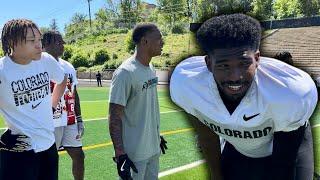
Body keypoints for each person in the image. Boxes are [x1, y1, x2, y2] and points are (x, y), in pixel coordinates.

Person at [170, 14, 317, 180]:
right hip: (239, 147)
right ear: (208, 64)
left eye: (244, 63)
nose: (235, 77)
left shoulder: (289, 93)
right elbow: (206, 135)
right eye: (224, 65)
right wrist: (217, 176)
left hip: (286, 144)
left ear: (257, 59)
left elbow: (286, 157)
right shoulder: (187, 84)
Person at [0, 19, 67, 180]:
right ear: (12, 42)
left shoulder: (45, 61)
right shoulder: (2, 71)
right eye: (31, 41)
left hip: (49, 146)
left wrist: (51, 106)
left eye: (39, 40)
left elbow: (62, 80)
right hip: (18, 152)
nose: (39, 45)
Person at [108, 23, 167, 180]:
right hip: (134, 155)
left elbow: (146, 108)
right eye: (159, 38)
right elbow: (114, 116)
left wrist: (156, 135)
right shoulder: (125, 73)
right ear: (144, 41)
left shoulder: (151, 68)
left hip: (153, 149)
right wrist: (120, 155)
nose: (163, 42)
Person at [42, 31, 85, 180]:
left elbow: (74, 92)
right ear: (45, 45)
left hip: (69, 120)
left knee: (79, 156)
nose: (63, 45)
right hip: (49, 122)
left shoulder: (68, 66)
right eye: (58, 42)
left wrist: (79, 118)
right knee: (49, 162)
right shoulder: (37, 65)